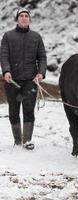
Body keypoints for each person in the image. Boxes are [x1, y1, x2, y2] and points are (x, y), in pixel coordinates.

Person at [0, 7, 47, 150]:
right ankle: (17, 141)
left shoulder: (36, 37)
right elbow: (4, 56)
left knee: (28, 109)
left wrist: (41, 73)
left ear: (29, 19)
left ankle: (27, 141)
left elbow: (42, 57)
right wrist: (6, 71)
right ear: (17, 19)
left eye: (26, 15)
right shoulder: (8, 36)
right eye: (21, 16)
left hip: (30, 81)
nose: (24, 18)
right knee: (14, 111)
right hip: (12, 80)